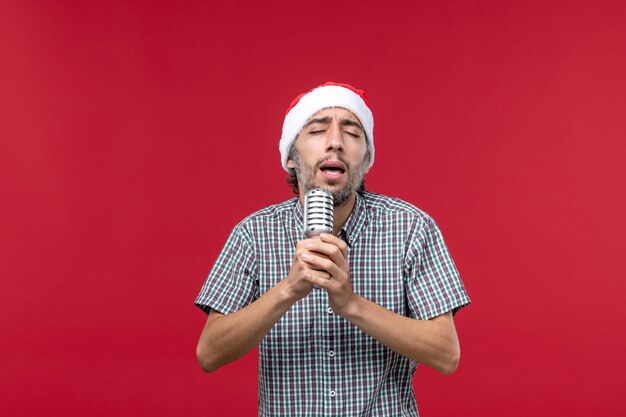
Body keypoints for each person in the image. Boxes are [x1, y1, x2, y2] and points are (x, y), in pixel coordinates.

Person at [195, 82, 471, 416]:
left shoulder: (412, 228)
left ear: (366, 160)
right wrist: (288, 290)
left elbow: (447, 354)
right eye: (318, 129)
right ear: (291, 158)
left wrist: (350, 304)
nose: (336, 142)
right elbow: (209, 354)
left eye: (352, 133)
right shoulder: (253, 234)